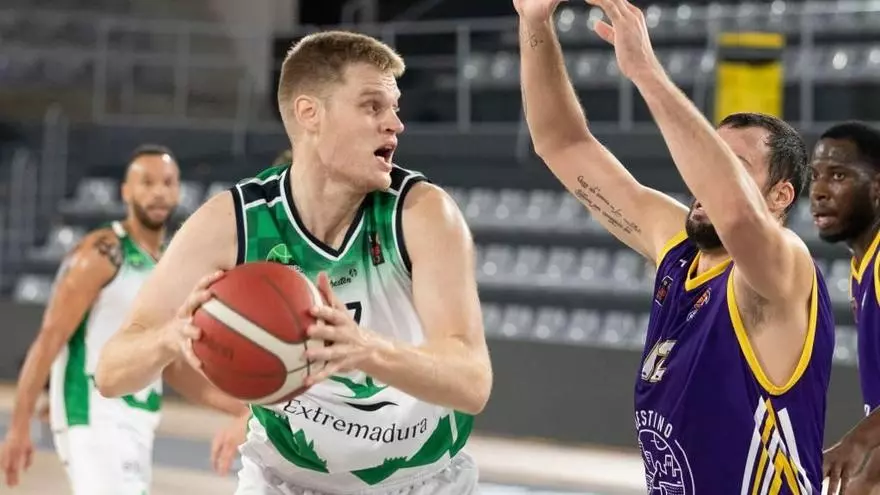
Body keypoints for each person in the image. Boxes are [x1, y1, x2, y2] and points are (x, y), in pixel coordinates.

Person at [93, 31, 492, 495]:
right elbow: (111, 372)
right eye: (372, 106)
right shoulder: (234, 223)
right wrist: (170, 336)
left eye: (395, 108)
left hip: (422, 481)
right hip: (286, 481)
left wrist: (363, 348)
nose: (395, 124)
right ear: (309, 114)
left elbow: (472, 382)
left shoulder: (421, 213)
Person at [515, 0, 834, 492]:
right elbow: (561, 144)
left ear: (781, 196)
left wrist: (646, 72)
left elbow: (738, 214)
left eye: (731, 165)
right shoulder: (679, 249)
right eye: (707, 157)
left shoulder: (784, 267)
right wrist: (534, 22)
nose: (702, 179)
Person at [0, 145, 249, 494]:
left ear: (178, 191)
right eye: (147, 182)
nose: (158, 192)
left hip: (138, 418)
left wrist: (245, 409)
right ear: (126, 191)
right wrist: (18, 427)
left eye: (167, 182)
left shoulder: (168, 265)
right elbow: (49, 338)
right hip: (91, 412)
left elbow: (173, 367)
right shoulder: (100, 253)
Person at [810, 122, 880, 494]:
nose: (819, 191)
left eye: (838, 175)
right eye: (815, 176)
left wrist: (857, 442)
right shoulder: (863, 264)